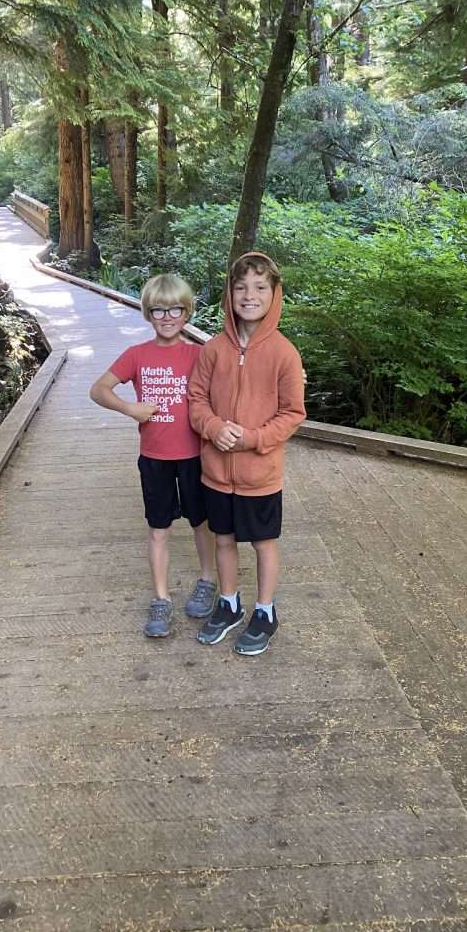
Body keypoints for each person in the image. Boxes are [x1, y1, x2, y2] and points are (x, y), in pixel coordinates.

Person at [188, 252, 306, 656]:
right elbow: (196, 399)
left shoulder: (284, 353)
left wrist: (252, 438)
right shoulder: (214, 349)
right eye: (240, 287)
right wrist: (214, 428)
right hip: (216, 473)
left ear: (275, 295)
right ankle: (229, 603)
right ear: (229, 294)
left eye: (259, 287)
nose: (249, 295)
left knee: (262, 543)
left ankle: (265, 611)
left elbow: (293, 413)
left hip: (260, 475)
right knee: (223, 539)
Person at [89, 274, 217, 638]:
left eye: (175, 309)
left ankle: (207, 579)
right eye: (158, 310)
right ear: (147, 313)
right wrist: (130, 408)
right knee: (158, 528)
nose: (167, 316)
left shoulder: (198, 354)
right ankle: (161, 599)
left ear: (187, 312)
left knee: (201, 522)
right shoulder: (137, 355)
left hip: (195, 456)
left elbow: (235, 381)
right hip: (155, 458)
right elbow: (98, 390)